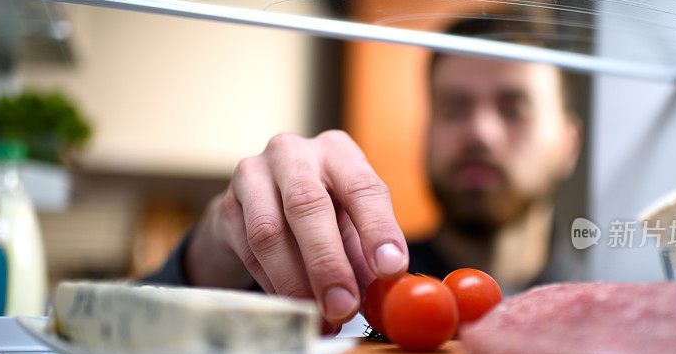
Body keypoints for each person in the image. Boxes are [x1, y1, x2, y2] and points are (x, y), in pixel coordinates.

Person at [144, 16, 582, 329]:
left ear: (568, 144)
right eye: (453, 109)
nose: (480, 133)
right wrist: (213, 256)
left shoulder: (600, 306)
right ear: (425, 132)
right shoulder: (351, 283)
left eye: (514, 109)